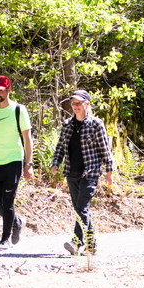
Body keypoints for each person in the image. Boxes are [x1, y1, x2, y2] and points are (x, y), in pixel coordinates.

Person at [51, 89, 114, 255]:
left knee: (82, 209)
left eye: (79, 103)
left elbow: (104, 149)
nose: (75, 106)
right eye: (73, 104)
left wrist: (109, 171)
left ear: (87, 104)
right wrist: (55, 163)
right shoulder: (67, 125)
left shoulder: (96, 124)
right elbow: (60, 147)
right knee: (80, 210)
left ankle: (77, 241)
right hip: (72, 172)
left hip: (90, 173)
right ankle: (91, 244)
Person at [0, 74, 33, 250]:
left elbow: (27, 138)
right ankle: (16, 222)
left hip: (14, 161)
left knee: (8, 200)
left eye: (0, 90)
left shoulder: (19, 110)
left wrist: (28, 164)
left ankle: (5, 239)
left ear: (8, 90)